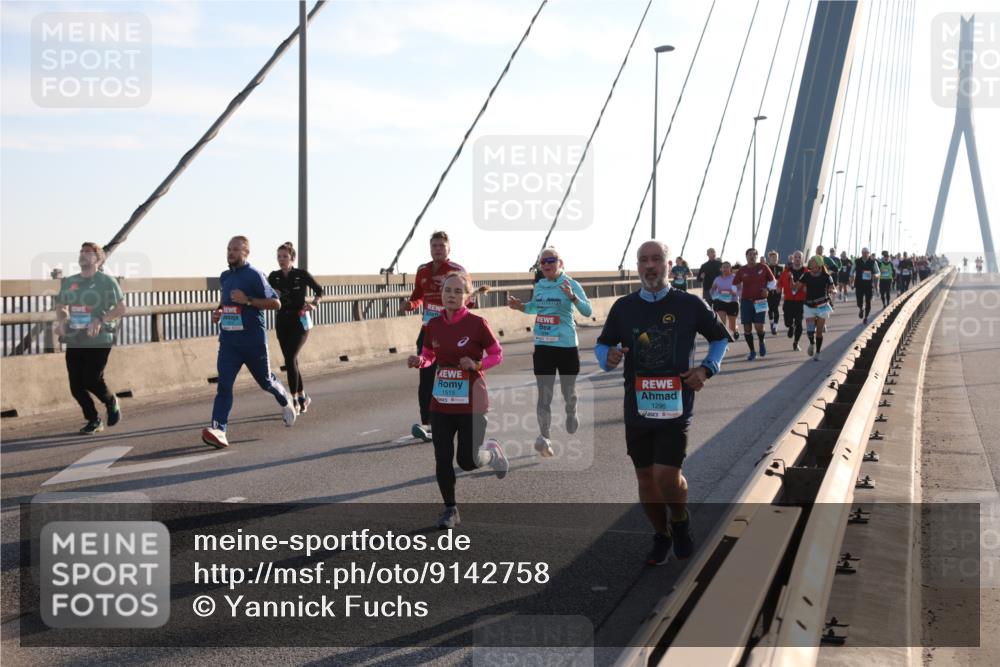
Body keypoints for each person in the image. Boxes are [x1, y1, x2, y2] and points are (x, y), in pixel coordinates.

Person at [595, 241, 730, 565]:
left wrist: (706, 368)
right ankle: (661, 534)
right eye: (644, 260)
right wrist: (608, 357)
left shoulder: (689, 304)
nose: (650, 265)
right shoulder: (624, 308)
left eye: (657, 259)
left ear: (670, 266)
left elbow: (720, 337)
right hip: (637, 405)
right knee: (645, 478)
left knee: (666, 476)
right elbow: (602, 346)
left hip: (675, 403)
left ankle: (680, 520)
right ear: (638, 266)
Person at [408, 271, 509, 528]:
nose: (451, 296)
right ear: (441, 295)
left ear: (467, 296)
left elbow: (497, 354)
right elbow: (430, 353)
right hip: (442, 402)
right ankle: (450, 510)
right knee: (442, 457)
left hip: (472, 403)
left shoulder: (477, 324)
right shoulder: (434, 324)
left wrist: (477, 364)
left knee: (467, 461)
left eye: (457, 291)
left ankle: (492, 454)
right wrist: (421, 361)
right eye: (447, 291)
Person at [201, 236, 296, 449]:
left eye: (235, 249)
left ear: (246, 253)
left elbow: (276, 303)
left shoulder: (255, 275)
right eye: (228, 249)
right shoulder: (225, 277)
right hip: (229, 342)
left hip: (253, 342)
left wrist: (248, 300)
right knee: (224, 386)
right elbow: (225, 304)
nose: (230, 253)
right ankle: (219, 430)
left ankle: (285, 399)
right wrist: (218, 313)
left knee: (266, 382)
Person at [508, 247, 592, 457]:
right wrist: (521, 307)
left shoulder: (571, 284)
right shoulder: (540, 285)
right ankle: (544, 437)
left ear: (561, 263)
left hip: (566, 347)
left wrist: (572, 297)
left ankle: (571, 411)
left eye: (551, 260)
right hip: (544, 346)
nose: (546, 265)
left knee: (568, 393)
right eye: (542, 262)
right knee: (544, 395)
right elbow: (535, 308)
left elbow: (588, 311)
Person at [53, 242, 127, 434]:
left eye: (88, 252)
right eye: (81, 251)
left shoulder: (107, 281)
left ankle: (111, 401)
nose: (83, 254)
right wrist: (62, 321)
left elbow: (120, 308)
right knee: (76, 387)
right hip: (76, 338)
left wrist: (100, 320)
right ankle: (94, 420)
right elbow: (61, 305)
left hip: (100, 338)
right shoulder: (70, 281)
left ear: (98, 258)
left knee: (91, 379)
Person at [401, 231, 467, 442]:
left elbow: (467, 298)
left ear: (449, 248)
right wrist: (410, 304)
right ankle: (427, 424)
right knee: (426, 377)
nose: (437, 249)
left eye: (441, 245)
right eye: (434, 246)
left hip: (452, 332)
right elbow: (418, 296)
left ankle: (459, 419)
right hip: (429, 330)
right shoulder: (423, 270)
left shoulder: (457, 271)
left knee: (452, 376)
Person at [268, 242, 324, 414]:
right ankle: (302, 395)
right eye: (279, 257)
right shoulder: (273, 276)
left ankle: (293, 398)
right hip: (282, 321)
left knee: (291, 357)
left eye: (285, 257)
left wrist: (314, 304)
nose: (281, 260)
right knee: (290, 360)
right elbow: (263, 292)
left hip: (300, 322)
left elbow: (320, 291)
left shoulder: (301, 274)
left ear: (292, 258)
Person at [732, 248, 777, 361]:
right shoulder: (742, 270)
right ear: (746, 257)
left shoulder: (763, 267)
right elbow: (734, 285)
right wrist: (737, 289)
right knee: (747, 328)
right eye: (749, 255)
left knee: (759, 326)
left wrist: (767, 289)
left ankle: (761, 341)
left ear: (757, 257)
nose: (752, 257)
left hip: (760, 301)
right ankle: (752, 351)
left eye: (754, 255)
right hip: (746, 301)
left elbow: (773, 282)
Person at [800, 256, 836, 360]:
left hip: (822, 306)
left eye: (813, 261)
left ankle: (818, 353)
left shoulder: (826, 276)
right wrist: (791, 281)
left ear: (819, 264)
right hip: (809, 306)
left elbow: (833, 288)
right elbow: (797, 286)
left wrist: (833, 291)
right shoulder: (806, 275)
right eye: (810, 262)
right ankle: (812, 343)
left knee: (819, 331)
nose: (810, 263)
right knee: (810, 331)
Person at [777, 250, 807, 351]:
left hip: (801, 301)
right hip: (788, 300)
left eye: (799, 257)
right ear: (792, 259)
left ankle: (796, 342)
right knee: (787, 322)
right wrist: (779, 288)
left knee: (799, 322)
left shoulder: (806, 272)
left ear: (802, 259)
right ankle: (790, 326)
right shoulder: (786, 271)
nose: (797, 259)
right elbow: (780, 282)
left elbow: (811, 283)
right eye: (796, 257)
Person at [709, 262, 739, 340]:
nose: (725, 269)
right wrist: (714, 293)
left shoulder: (735, 277)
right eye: (724, 267)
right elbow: (712, 290)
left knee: (732, 326)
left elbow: (740, 288)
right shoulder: (717, 279)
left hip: (733, 302)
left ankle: (735, 330)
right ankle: (724, 338)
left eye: (727, 267)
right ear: (721, 269)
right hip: (721, 302)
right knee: (722, 322)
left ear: (730, 268)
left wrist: (733, 292)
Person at [854, 247, 879, 324]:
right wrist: (851, 277)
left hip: (869, 285)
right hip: (859, 284)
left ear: (869, 253)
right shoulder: (857, 261)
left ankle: (866, 317)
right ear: (861, 253)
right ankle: (861, 309)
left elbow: (878, 272)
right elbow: (852, 271)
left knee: (868, 301)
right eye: (863, 253)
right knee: (859, 301)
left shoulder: (873, 262)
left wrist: (876, 275)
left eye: (866, 253)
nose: (864, 254)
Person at [765, 250, 783, 335]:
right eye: (772, 257)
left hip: (777, 291)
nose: (774, 259)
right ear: (770, 259)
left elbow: (783, 280)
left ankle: (775, 326)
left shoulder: (781, 268)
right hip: (768, 291)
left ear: (778, 259)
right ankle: (771, 322)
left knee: (775, 308)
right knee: (769, 309)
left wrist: (780, 286)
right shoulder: (766, 267)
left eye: (775, 257)